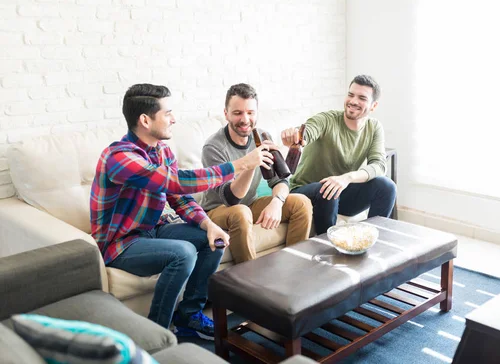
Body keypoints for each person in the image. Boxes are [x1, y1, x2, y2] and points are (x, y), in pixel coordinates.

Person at [90, 83, 273, 340]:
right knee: (183, 253)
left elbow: (179, 197)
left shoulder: (162, 150)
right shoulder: (119, 158)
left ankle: (188, 315)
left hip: (153, 229)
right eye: (168, 113)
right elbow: (175, 182)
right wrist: (241, 164)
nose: (174, 119)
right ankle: (156, 335)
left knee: (214, 240)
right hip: (120, 244)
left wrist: (208, 224)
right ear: (145, 119)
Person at [200, 83, 312, 263]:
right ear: (226, 113)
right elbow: (231, 199)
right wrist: (251, 163)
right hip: (218, 210)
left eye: (250, 113)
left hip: (250, 205)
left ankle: (294, 268)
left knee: (301, 202)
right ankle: (251, 283)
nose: (245, 119)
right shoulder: (213, 147)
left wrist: (277, 202)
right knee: (241, 212)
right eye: (238, 113)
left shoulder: (262, 135)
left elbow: (280, 181)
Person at [281, 75, 396, 235]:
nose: (353, 101)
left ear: (373, 106)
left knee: (387, 186)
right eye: (351, 95)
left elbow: (379, 165)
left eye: (362, 98)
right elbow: (307, 131)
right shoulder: (327, 120)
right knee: (329, 188)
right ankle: (328, 246)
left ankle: (373, 241)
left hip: (338, 194)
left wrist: (347, 178)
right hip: (305, 192)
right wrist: (295, 136)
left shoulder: (374, 127)